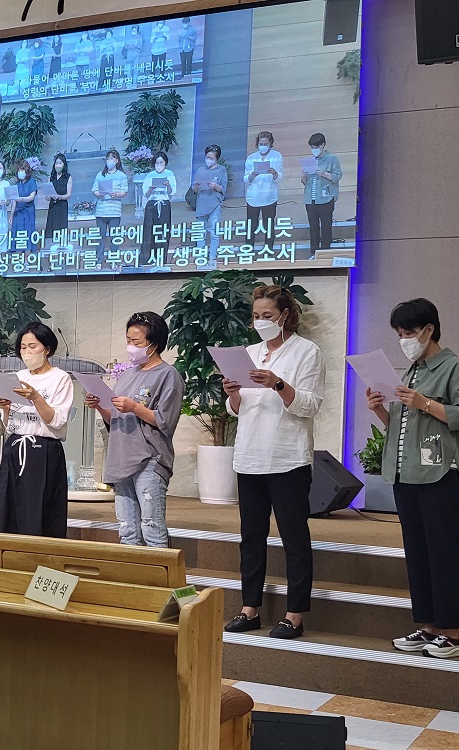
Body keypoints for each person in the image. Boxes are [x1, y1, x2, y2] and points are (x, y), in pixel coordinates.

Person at [366, 299, 459, 659]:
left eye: (409, 333)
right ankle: (428, 626)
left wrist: (424, 403)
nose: (404, 340)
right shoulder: (411, 371)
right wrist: (380, 409)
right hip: (408, 473)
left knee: (443, 550)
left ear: (429, 330)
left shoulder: (455, 368)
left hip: (440, 473)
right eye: (399, 334)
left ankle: (452, 632)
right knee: (417, 551)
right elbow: (404, 428)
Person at [223, 285, 323, 640]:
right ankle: (249, 609)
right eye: (256, 316)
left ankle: (294, 615)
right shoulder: (249, 353)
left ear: (285, 315)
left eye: (267, 315)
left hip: (287, 458)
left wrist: (278, 384)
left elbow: (310, 405)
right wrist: (233, 394)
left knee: (294, 537)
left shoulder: (306, 352)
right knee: (251, 537)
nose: (260, 321)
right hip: (249, 456)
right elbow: (237, 410)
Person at [84, 312, 183, 548]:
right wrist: (100, 406)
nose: (130, 346)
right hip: (121, 457)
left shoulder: (168, 376)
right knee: (127, 528)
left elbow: (165, 421)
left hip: (149, 458)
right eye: (128, 340)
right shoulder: (128, 375)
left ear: (154, 344)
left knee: (151, 525)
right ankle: (131, 570)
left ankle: (159, 571)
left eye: (136, 341)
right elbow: (115, 419)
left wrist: (134, 407)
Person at [0, 322, 73, 538]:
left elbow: (57, 421)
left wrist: (36, 398)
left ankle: (38, 555)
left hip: (42, 450)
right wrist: (6, 407)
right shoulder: (18, 376)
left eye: (32, 346)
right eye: (23, 347)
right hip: (15, 448)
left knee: (40, 509)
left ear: (47, 348)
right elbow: (9, 425)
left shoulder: (60, 378)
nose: (27, 352)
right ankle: (9, 554)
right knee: (10, 506)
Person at [301, 132, 342, 258]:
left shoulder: (332, 158)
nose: (314, 150)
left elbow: (337, 176)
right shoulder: (310, 161)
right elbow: (305, 182)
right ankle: (313, 252)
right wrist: (303, 176)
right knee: (313, 227)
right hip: (310, 199)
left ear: (323, 145)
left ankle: (325, 253)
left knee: (326, 226)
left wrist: (324, 174)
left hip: (325, 198)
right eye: (312, 147)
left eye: (316, 147)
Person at [244, 131, 284, 255]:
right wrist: (252, 175)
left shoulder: (277, 156)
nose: (263, 146)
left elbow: (280, 177)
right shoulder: (251, 158)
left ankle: (268, 250)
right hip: (253, 197)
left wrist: (274, 173)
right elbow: (245, 179)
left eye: (265, 144)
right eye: (261, 144)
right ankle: (248, 250)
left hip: (269, 197)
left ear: (270, 143)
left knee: (269, 225)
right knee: (251, 225)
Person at [193, 144, 229, 263]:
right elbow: (194, 190)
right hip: (202, 203)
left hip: (215, 204)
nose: (209, 160)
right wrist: (196, 186)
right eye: (207, 157)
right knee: (200, 232)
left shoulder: (221, 170)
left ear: (217, 159)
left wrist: (216, 186)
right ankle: (201, 257)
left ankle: (212, 256)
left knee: (214, 231)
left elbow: (223, 189)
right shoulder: (200, 170)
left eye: (211, 158)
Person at [91, 149, 129, 260]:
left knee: (114, 237)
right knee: (100, 237)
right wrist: (99, 194)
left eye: (112, 158)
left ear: (117, 160)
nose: (109, 161)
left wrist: (116, 194)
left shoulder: (122, 175)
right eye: (107, 159)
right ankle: (99, 260)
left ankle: (114, 261)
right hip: (101, 211)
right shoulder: (100, 175)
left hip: (114, 211)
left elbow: (124, 192)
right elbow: (94, 190)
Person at [141, 150, 176, 257]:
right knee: (149, 230)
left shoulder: (170, 174)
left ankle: (161, 257)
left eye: (161, 162)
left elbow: (172, 192)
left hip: (164, 204)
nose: (159, 165)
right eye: (157, 163)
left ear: (165, 163)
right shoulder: (150, 175)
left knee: (164, 230)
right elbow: (146, 194)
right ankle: (148, 257)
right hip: (152, 204)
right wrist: (151, 189)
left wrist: (168, 185)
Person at [8, 159, 38, 251]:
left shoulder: (32, 181)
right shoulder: (17, 184)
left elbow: (32, 196)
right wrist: (11, 215)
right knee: (18, 231)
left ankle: (28, 253)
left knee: (28, 232)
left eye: (22, 170)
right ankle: (18, 253)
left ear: (27, 171)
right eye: (19, 170)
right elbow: (14, 201)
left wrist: (22, 199)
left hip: (28, 211)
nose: (20, 172)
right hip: (18, 211)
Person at [44, 153, 72, 244]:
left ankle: (61, 248)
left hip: (62, 206)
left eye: (60, 163)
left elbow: (68, 195)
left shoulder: (68, 177)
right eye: (56, 163)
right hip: (52, 206)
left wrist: (59, 197)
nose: (58, 165)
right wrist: (48, 197)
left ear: (64, 164)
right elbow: (47, 195)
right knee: (51, 229)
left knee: (61, 228)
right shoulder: (51, 177)